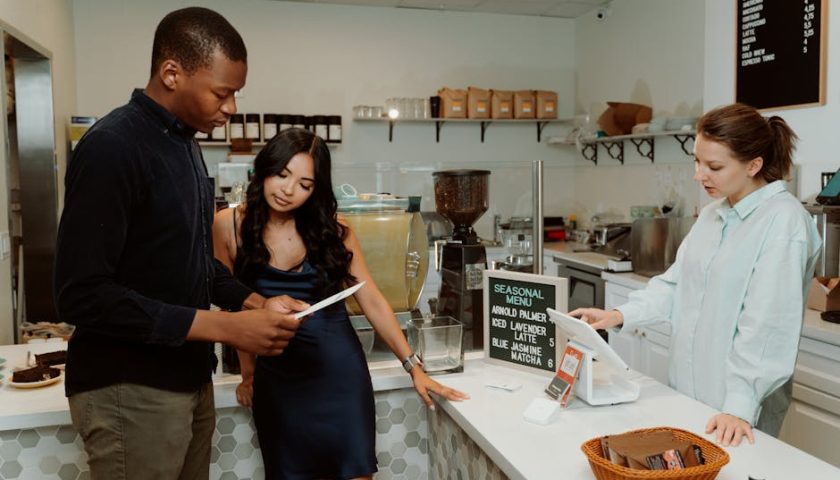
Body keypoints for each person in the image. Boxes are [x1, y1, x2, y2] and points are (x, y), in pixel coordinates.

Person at [54, 7, 308, 480]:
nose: (231, 108)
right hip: (130, 388)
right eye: (222, 93)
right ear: (171, 74)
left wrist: (255, 302)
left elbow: (193, 262)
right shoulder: (114, 145)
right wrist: (228, 328)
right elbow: (82, 294)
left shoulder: (185, 145)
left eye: (235, 94)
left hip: (187, 378)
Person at [213, 127, 469, 479]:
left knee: (356, 471)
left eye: (304, 184)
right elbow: (234, 304)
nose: (288, 190)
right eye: (282, 174)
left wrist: (414, 368)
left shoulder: (334, 230)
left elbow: (371, 299)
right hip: (278, 378)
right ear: (265, 168)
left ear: (316, 189)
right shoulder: (227, 225)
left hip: (339, 372)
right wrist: (248, 374)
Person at [571, 103, 821, 447]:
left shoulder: (783, 221)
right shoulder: (713, 214)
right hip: (689, 394)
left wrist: (740, 406)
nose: (699, 175)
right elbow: (675, 285)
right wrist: (618, 315)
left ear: (754, 165)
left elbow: (767, 324)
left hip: (737, 412)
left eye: (713, 167)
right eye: (697, 162)